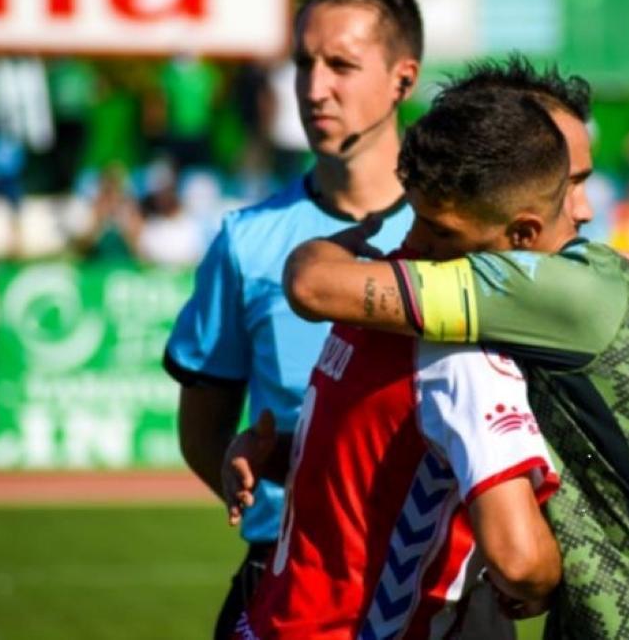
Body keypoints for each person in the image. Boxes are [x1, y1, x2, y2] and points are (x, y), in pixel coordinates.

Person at [282, 60, 629, 637]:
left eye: (579, 180)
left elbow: (315, 285)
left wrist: (339, 244)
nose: (584, 210)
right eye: (569, 183)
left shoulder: (550, 291)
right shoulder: (575, 284)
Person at [234, 87, 569, 640]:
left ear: (522, 232)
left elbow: (373, 470)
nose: (412, 244)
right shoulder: (461, 351)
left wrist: (276, 455)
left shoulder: (378, 301)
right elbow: (520, 562)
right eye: (417, 218)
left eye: (441, 233)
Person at [162, 0, 423, 636]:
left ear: (403, 77)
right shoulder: (245, 241)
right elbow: (204, 431)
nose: (313, 87)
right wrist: (263, 489)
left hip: (434, 589)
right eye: (303, 62)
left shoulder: (464, 234)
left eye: (342, 64)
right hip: (282, 589)